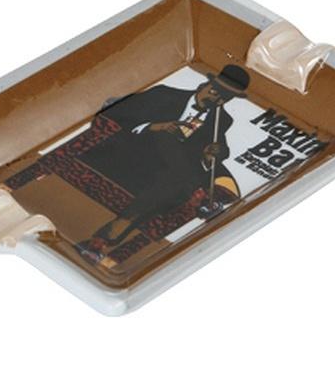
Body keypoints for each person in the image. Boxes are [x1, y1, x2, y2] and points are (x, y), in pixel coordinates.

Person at [76, 64, 251, 262]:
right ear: (203, 85)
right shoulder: (164, 94)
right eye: (215, 91)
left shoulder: (222, 119)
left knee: (171, 182)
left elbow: (220, 146)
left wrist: (214, 152)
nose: (216, 99)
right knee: (167, 138)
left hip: (168, 177)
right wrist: (155, 127)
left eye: (225, 98)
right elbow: (115, 114)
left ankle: (100, 242)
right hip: (131, 156)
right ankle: (197, 194)